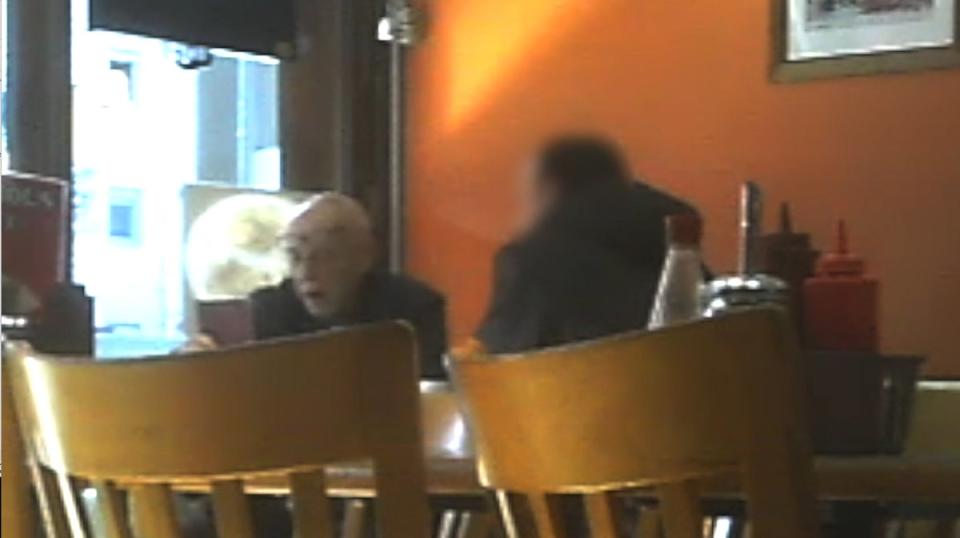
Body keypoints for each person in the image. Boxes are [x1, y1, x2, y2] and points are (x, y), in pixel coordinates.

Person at [476, 134, 700, 353]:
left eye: (527, 198)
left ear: (550, 189)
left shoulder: (531, 261)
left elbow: (495, 368)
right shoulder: (679, 246)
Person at [250, 192, 449, 379]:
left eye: (325, 256)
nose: (306, 272)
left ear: (363, 257)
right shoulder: (271, 309)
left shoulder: (414, 306)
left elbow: (427, 391)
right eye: (295, 257)